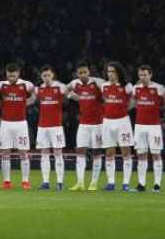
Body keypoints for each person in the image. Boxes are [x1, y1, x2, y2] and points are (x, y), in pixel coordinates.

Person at [0, 63, 36, 189]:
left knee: (23, 152)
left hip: (21, 123)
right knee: (5, 152)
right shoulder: (0, 85)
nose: (11, 77)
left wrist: (27, 102)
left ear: (18, 73)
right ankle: (6, 181)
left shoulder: (26, 85)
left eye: (14, 75)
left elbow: (37, 94)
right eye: (9, 75)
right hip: (6, 123)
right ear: (6, 74)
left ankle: (25, 181)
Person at [66, 61, 105, 191]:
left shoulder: (98, 82)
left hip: (98, 123)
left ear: (89, 72)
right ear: (77, 73)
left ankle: (93, 183)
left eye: (85, 72)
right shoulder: (75, 83)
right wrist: (75, 97)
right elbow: (66, 90)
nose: (83, 75)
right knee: (80, 150)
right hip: (83, 123)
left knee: (97, 152)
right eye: (80, 73)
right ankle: (80, 182)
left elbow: (108, 93)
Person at [99, 62, 134, 191]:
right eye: (108, 71)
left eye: (113, 71)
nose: (110, 74)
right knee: (109, 152)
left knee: (126, 152)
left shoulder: (127, 86)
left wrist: (125, 109)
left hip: (123, 122)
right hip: (108, 122)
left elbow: (135, 100)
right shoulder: (104, 86)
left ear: (118, 72)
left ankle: (125, 184)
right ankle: (111, 183)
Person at [34, 65, 69, 191]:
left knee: (58, 153)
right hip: (43, 126)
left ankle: (60, 182)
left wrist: (65, 95)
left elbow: (67, 101)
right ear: (41, 77)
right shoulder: (39, 89)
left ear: (52, 75)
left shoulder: (60, 87)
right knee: (44, 154)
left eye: (49, 75)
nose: (47, 78)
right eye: (44, 76)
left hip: (56, 126)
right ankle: (45, 182)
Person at [131, 65, 164, 192]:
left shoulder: (159, 88)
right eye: (140, 75)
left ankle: (157, 184)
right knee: (141, 155)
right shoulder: (136, 88)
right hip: (139, 126)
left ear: (150, 75)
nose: (142, 78)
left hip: (154, 126)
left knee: (156, 154)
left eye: (145, 75)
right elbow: (133, 104)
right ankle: (141, 184)